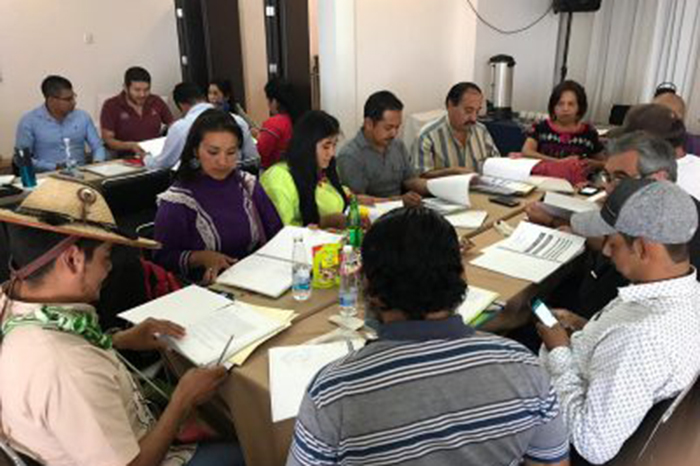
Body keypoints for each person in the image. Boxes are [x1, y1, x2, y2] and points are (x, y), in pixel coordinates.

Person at [287, 207, 569, 466]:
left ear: (369, 287)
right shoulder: (525, 366)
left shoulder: (333, 392)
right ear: (461, 277)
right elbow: (552, 462)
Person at [0, 177, 244, 465]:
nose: (109, 268)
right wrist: (182, 401)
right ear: (73, 260)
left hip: (112, 430)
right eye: (106, 257)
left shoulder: (13, 302)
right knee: (250, 448)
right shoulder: (66, 367)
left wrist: (120, 339)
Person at [538, 178, 700, 465]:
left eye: (612, 242)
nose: (605, 251)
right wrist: (583, 326)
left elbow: (592, 444)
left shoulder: (641, 338)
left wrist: (559, 351)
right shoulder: (686, 294)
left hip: (562, 431)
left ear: (642, 248)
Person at [154, 109, 282, 282]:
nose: (223, 162)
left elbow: (277, 233)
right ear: (195, 150)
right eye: (213, 152)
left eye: (231, 152)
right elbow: (162, 258)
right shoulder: (178, 200)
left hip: (256, 280)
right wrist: (200, 257)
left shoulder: (247, 184)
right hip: (206, 289)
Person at [337, 91, 427, 205]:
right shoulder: (350, 155)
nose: (394, 133)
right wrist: (399, 201)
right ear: (369, 124)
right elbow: (357, 200)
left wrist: (432, 187)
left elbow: (409, 180)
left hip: (401, 208)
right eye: (388, 128)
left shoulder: (397, 145)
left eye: (397, 127)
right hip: (373, 213)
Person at [261, 111, 348, 228]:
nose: (332, 153)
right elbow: (281, 232)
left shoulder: (320, 169)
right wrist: (323, 222)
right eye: (326, 146)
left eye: (334, 145)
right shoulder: (279, 178)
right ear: (307, 145)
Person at [144, 82, 259, 171]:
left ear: (181, 105)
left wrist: (146, 157)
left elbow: (163, 165)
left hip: (199, 187)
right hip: (236, 183)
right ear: (203, 97)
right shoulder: (237, 120)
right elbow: (252, 159)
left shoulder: (180, 127)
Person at [15, 75, 106, 172]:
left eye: (73, 97)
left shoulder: (82, 117)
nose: (74, 102)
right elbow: (21, 158)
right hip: (47, 176)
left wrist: (97, 163)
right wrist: (54, 167)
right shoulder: (29, 121)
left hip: (81, 174)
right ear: (51, 100)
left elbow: (98, 146)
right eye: (68, 99)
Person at [412, 82, 500, 178]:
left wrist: (508, 162)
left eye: (477, 111)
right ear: (450, 105)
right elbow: (420, 176)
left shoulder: (481, 131)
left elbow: (495, 162)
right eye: (468, 111)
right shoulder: (427, 136)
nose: (474, 118)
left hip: (479, 187)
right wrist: (451, 172)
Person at [100, 66, 174, 157]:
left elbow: (172, 125)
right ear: (125, 88)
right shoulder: (111, 105)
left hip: (154, 154)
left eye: (146, 90)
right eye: (137, 90)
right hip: (125, 156)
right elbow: (108, 140)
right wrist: (130, 146)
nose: (142, 94)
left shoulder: (156, 101)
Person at [522, 80, 604, 162]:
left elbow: (603, 162)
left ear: (580, 107)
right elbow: (527, 152)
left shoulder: (589, 133)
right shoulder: (541, 127)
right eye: (560, 104)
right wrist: (559, 162)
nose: (565, 109)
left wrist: (590, 164)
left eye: (571, 104)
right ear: (553, 107)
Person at [257, 78, 300, 169]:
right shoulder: (297, 119)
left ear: (274, 101)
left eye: (268, 100)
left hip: (273, 171)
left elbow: (260, 153)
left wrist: (258, 136)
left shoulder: (273, 123)